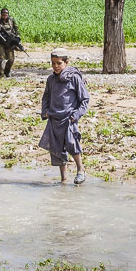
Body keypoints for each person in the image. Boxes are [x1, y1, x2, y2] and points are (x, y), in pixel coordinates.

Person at [39, 48, 90, 184]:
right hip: (54, 118)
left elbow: (84, 99)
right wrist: (45, 111)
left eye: (59, 63)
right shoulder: (51, 79)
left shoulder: (74, 78)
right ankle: (64, 179)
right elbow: (46, 96)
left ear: (66, 62)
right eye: (53, 63)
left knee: (72, 144)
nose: (56, 66)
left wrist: (76, 114)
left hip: (69, 118)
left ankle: (80, 169)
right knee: (57, 149)